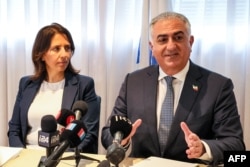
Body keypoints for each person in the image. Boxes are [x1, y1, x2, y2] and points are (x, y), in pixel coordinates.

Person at [101, 11, 245, 165]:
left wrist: (203, 148)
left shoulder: (218, 86)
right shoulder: (133, 81)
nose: (171, 46)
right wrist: (120, 140)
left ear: (190, 42)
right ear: (152, 47)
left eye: (178, 38)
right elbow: (108, 132)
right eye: (162, 39)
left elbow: (235, 144)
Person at [8, 23, 100, 153]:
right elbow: (14, 129)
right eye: (56, 49)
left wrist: (58, 159)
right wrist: (20, 155)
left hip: (63, 158)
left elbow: (88, 134)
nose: (64, 54)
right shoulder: (26, 84)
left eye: (67, 48)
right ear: (41, 55)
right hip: (27, 155)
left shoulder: (85, 85)